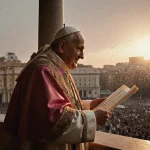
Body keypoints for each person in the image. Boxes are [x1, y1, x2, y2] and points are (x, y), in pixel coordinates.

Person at [4, 26, 111, 150]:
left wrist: (89, 105)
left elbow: (61, 105)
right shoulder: (43, 70)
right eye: (79, 49)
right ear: (62, 46)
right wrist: (92, 117)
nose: (82, 56)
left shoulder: (59, 68)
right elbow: (52, 120)